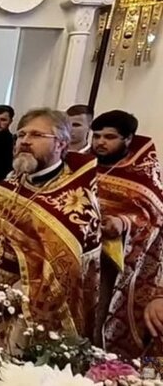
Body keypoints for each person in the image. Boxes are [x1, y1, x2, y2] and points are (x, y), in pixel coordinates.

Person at [0, 108, 101, 337]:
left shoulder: (77, 205)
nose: (25, 141)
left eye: (36, 135)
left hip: (26, 315)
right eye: (21, 135)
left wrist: (0, 299)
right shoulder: (4, 188)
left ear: (61, 145)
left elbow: (62, 275)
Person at [91, 110, 163, 358]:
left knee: (144, 336)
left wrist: (124, 223)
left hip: (119, 269)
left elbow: (154, 218)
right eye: (97, 135)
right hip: (82, 262)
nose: (100, 142)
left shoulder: (143, 175)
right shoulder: (82, 166)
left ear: (129, 139)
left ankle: (125, 375)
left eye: (109, 137)